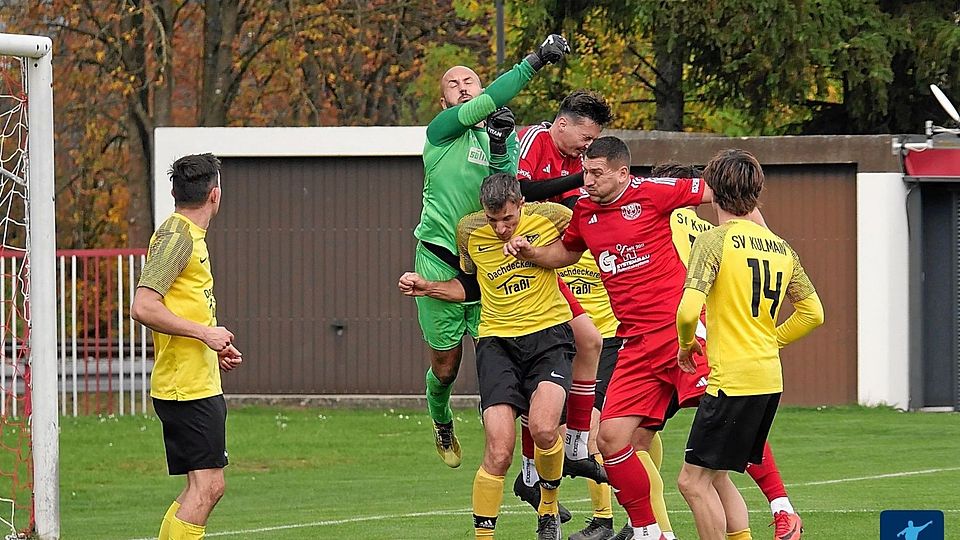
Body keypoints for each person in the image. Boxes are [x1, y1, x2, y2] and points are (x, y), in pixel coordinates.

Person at [503, 136, 718, 540]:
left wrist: (745, 232)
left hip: (679, 332)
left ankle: (779, 504)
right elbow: (565, 254)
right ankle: (649, 531)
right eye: (585, 171)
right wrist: (530, 253)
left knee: (722, 416)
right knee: (612, 438)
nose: (587, 180)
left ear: (623, 173)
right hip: (633, 343)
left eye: (597, 173)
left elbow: (715, 190)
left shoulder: (653, 192)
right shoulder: (584, 210)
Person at [412, 33, 570, 468]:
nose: (463, 86)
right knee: (445, 367)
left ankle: (524, 463)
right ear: (446, 102)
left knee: (503, 363)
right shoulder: (440, 133)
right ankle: (441, 418)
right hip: (440, 257)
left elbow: (506, 191)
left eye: (471, 81)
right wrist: (535, 61)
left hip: (489, 259)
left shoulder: (499, 135)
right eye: (453, 84)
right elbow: (484, 105)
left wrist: (501, 145)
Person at [403, 173, 576, 539]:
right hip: (497, 342)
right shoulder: (469, 231)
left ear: (521, 205)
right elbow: (471, 285)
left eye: (508, 219)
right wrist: (427, 287)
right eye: (493, 219)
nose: (500, 228)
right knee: (499, 451)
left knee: (545, 429)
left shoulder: (552, 217)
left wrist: (533, 252)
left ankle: (548, 510)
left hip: (549, 335)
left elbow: (574, 249)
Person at [675, 149, 824, 540]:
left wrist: (686, 345)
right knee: (717, 475)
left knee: (692, 483)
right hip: (768, 379)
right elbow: (813, 313)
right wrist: (770, 338)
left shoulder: (712, 242)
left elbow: (688, 312)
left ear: (713, 191)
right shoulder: (781, 247)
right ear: (757, 193)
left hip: (731, 381)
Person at [512, 89, 622, 540]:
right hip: (519, 269)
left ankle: (550, 466)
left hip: (549, 271)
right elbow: (518, 192)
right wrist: (576, 184)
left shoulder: (581, 172)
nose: (586, 147)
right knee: (535, 390)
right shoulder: (534, 140)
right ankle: (534, 472)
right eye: (585, 136)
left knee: (584, 350)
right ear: (563, 123)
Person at [131, 153, 243, 540]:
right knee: (209, 487)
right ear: (216, 195)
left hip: (195, 380)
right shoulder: (178, 237)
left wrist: (213, 343)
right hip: (185, 387)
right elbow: (143, 305)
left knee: (202, 488)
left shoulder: (186, 236)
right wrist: (204, 334)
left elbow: (183, 306)